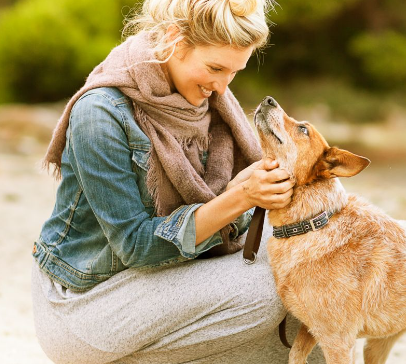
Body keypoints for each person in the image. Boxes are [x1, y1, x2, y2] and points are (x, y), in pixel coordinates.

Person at [29, 0, 324, 362]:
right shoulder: (101, 114)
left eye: (234, 72)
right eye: (215, 68)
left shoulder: (208, 102)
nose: (221, 87)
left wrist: (246, 195)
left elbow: (226, 220)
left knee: (315, 255)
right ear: (174, 40)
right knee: (270, 290)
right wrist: (240, 197)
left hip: (169, 278)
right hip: (86, 304)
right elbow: (136, 245)